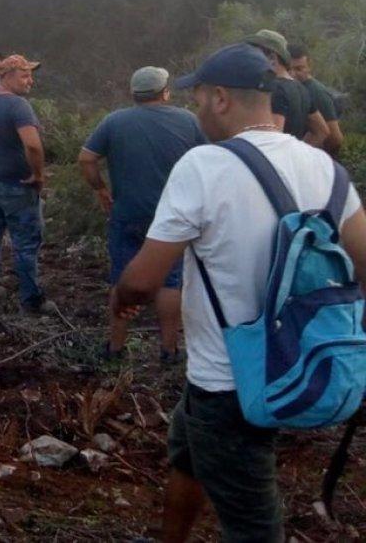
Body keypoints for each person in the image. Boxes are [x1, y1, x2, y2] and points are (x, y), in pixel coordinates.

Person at [113, 43, 366, 542]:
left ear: (221, 98)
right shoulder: (322, 166)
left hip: (231, 378)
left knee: (253, 524)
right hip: (293, 359)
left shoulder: (203, 166)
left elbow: (143, 279)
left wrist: (123, 296)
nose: (196, 108)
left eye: (199, 98)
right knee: (187, 453)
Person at [78, 66, 207, 363]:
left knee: (122, 277)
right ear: (165, 92)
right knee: (171, 281)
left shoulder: (114, 121)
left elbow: (86, 159)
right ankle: (170, 349)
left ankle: (115, 347)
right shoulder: (188, 121)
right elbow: (211, 160)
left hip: (128, 213)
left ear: (134, 94)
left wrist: (100, 189)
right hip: (172, 217)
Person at [0, 55, 47, 312]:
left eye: (30, 74)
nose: (30, 80)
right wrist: (38, 175)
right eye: (24, 75)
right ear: (6, 76)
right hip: (17, 186)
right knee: (26, 244)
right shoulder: (18, 106)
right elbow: (33, 145)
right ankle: (31, 299)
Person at [243, 29, 328, 147]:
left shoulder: (274, 90)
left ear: (272, 57)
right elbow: (321, 132)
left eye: (256, 54)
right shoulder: (301, 89)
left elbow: (272, 141)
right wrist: (297, 155)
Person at [289, 44, 343, 157]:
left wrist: (304, 155)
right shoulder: (290, 88)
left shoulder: (316, 93)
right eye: (289, 69)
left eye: (299, 69)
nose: (293, 74)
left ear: (309, 66)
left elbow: (335, 138)